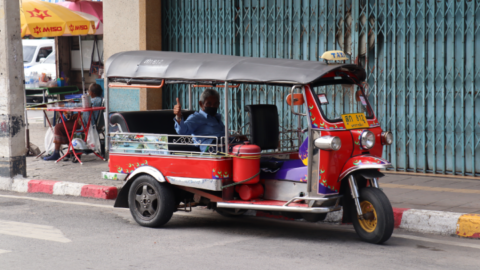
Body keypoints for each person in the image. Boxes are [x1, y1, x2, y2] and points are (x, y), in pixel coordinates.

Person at [44, 83, 103, 161]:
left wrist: (64, 105)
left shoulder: (94, 100)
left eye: (88, 91)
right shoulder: (99, 99)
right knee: (67, 122)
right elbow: (87, 110)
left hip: (86, 124)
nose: (88, 92)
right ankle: (70, 151)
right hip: (89, 122)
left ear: (92, 92)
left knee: (59, 127)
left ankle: (56, 153)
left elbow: (81, 105)